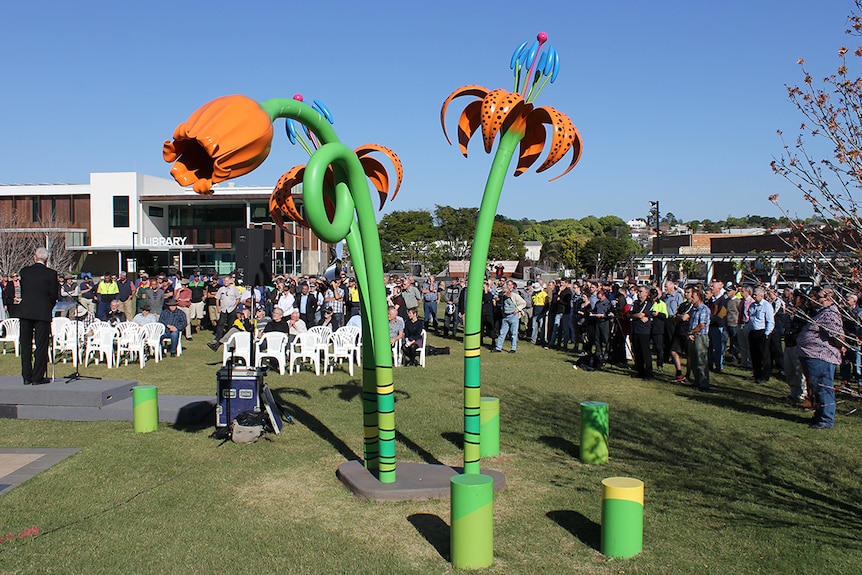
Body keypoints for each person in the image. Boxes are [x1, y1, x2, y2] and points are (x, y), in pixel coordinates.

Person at [796, 287, 844, 429]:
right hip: (813, 356)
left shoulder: (831, 314)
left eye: (819, 296)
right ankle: (819, 415)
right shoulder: (822, 312)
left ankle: (826, 420)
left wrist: (839, 347)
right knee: (817, 389)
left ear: (829, 298)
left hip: (822, 357)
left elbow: (837, 337)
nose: (816, 299)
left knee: (823, 388)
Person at [18, 247, 59, 385]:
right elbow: (54, 295)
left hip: (26, 311)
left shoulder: (24, 272)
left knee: (26, 345)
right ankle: (37, 377)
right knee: (41, 346)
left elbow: (24, 291)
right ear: (46, 260)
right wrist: (49, 307)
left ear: (34, 258)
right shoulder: (51, 274)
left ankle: (26, 376)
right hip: (42, 312)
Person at [688, 286, 712, 391]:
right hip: (693, 336)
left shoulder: (704, 309)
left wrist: (692, 332)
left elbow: (702, 325)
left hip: (701, 337)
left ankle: (704, 383)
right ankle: (696, 380)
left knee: (701, 360)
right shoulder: (693, 309)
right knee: (693, 360)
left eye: (693, 296)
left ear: (699, 297)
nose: (691, 298)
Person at [491, 282, 520, 353]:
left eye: (506, 293)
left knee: (513, 333)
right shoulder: (503, 297)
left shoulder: (515, 296)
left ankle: (513, 348)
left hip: (513, 316)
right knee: (502, 333)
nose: (505, 295)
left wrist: (518, 309)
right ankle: (498, 348)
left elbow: (523, 303)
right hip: (505, 316)